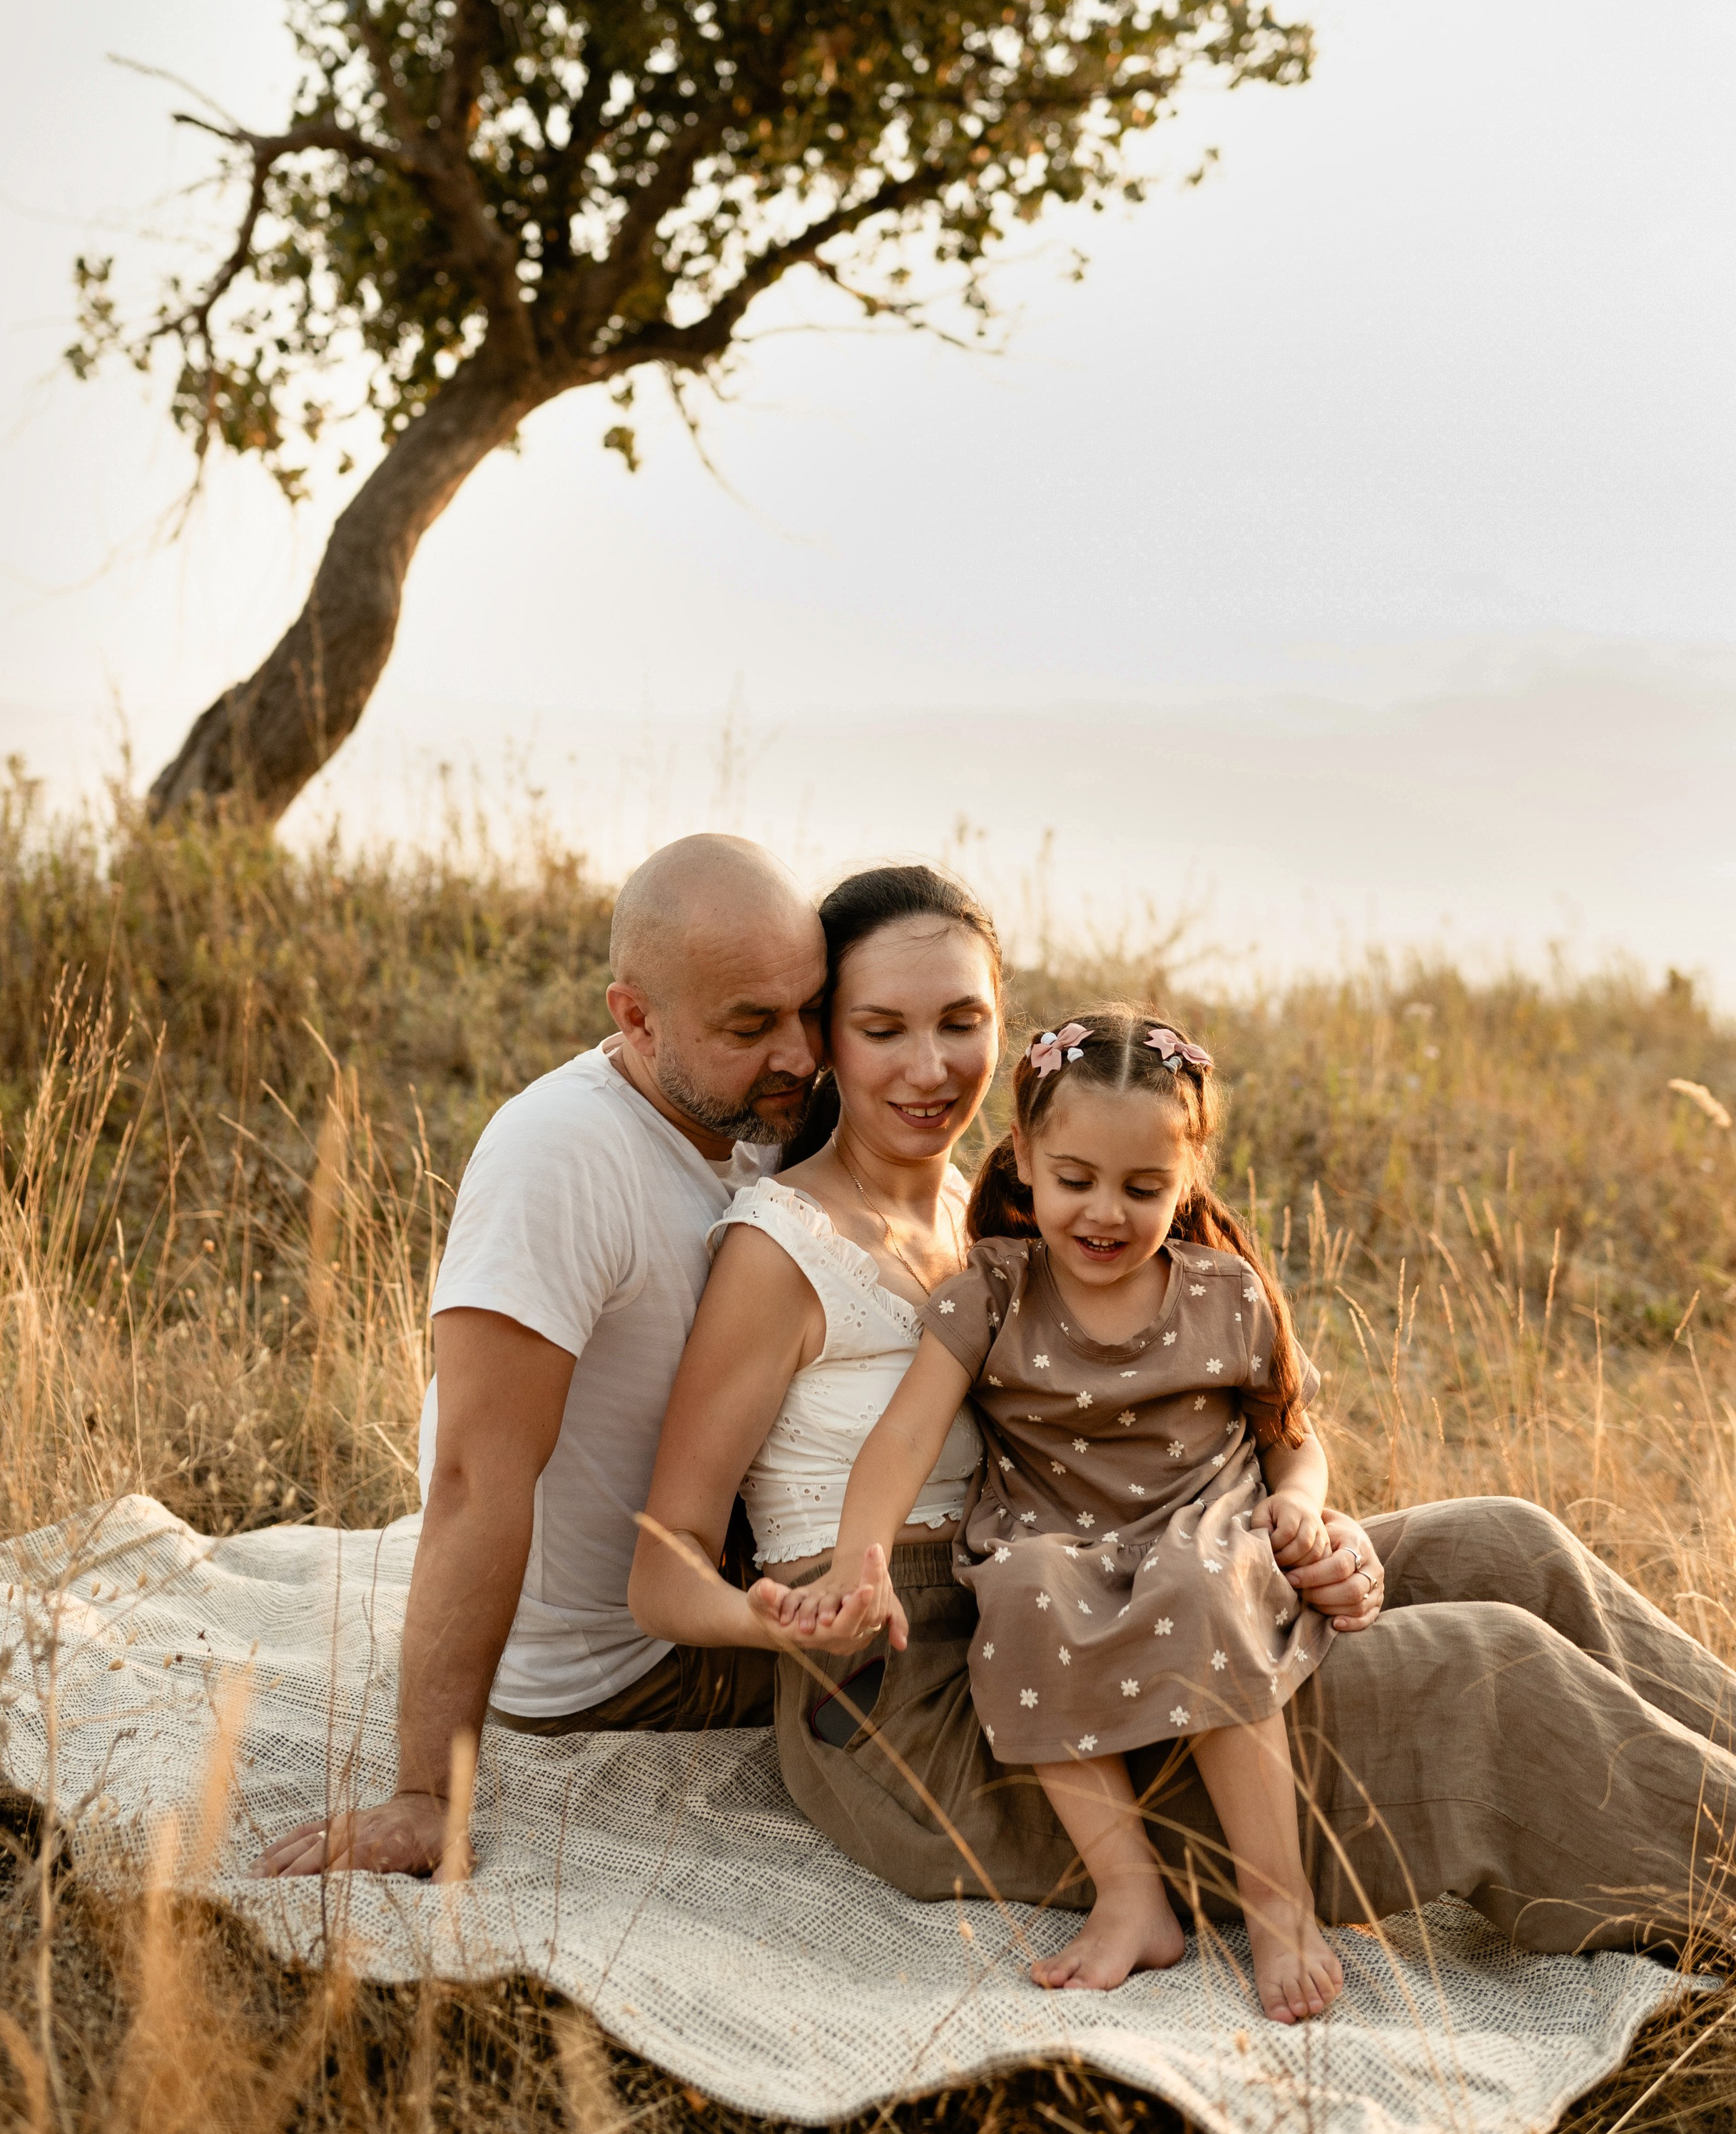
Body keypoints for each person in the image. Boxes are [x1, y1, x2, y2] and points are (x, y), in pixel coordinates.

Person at [634, 868, 1736, 1968]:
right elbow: (662, 1558)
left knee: (1510, 1543)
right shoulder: (781, 1249)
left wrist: (1303, 1527)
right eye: (883, 1028)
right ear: (828, 1038)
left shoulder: (1010, 1210)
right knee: (1489, 1671)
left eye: (961, 1021)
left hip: (1102, 1583)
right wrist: (782, 1618)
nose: (930, 1066)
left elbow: (1179, 1433)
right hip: (927, 1699)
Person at [255, 832, 830, 1878]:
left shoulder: (752, 1110)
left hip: (702, 1568)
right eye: (752, 1023)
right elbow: (476, 1475)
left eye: (811, 1008)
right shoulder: (562, 1153)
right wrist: (429, 1791)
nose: (799, 1050)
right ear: (637, 1018)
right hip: (631, 1662)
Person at [762, 1006, 1344, 2018]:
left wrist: (1299, 1502)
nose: (1105, 1212)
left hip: (1198, 1519)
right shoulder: (993, 1290)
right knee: (1021, 1598)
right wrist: (860, 1557)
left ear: (1189, 1176)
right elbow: (902, 1435)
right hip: (1054, 1533)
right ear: (1025, 1156)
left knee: (1202, 1587)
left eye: (1143, 1186)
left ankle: (1277, 1901)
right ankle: (1131, 1896)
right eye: (1076, 1179)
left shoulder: (1224, 1295)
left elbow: (1293, 1432)